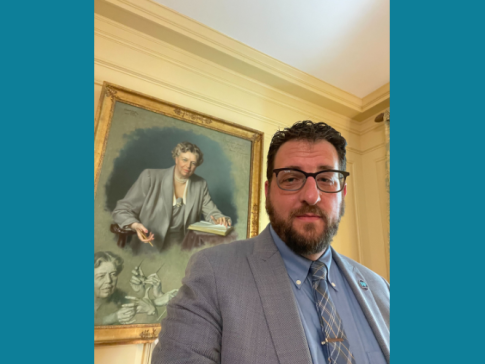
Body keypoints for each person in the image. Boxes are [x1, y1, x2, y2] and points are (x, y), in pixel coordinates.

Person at [151, 121, 390, 364]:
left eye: (326, 179)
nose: (311, 195)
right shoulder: (213, 273)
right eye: (290, 179)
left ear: (342, 193)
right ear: (268, 192)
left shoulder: (379, 286)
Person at [112, 142, 231, 252]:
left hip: (183, 249)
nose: (188, 166)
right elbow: (122, 210)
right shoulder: (150, 177)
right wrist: (135, 225)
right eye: (184, 160)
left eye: (193, 163)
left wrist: (220, 219)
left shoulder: (200, 184)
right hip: (149, 246)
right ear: (176, 159)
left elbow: (212, 211)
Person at [94, 251, 155, 325]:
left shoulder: (121, 297)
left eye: (113, 274)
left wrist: (142, 294)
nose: (109, 280)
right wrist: (113, 318)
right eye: (101, 276)